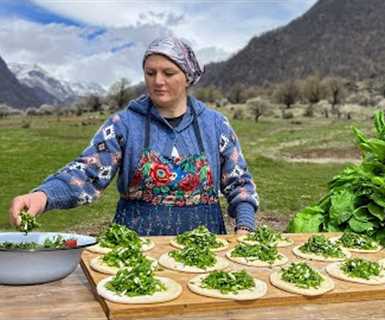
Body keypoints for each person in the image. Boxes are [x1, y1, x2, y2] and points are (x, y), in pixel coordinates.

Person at [9, 34, 258, 236]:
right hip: (135, 250)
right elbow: (87, 172)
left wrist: (245, 226)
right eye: (150, 73)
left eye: (168, 73)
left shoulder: (215, 125)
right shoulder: (124, 124)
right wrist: (44, 195)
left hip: (206, 248)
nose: (158, 81)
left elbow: (240, 183)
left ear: (188, 78)